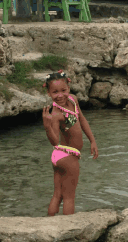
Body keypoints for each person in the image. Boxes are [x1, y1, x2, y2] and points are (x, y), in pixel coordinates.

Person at [42, 69, 99, 216]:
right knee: (69, 198)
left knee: (58, 195)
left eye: (63, 90)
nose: (60, 95)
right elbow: (55, 141)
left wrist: (92, 140)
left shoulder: (73, 100)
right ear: (48, 93)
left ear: (69, 87)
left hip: (59, 157)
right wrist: (47, 127)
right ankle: (68, 229)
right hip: (67, 156)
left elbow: (81, 119)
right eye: (55, 92)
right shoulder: (56, 114)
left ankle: (48, 224)